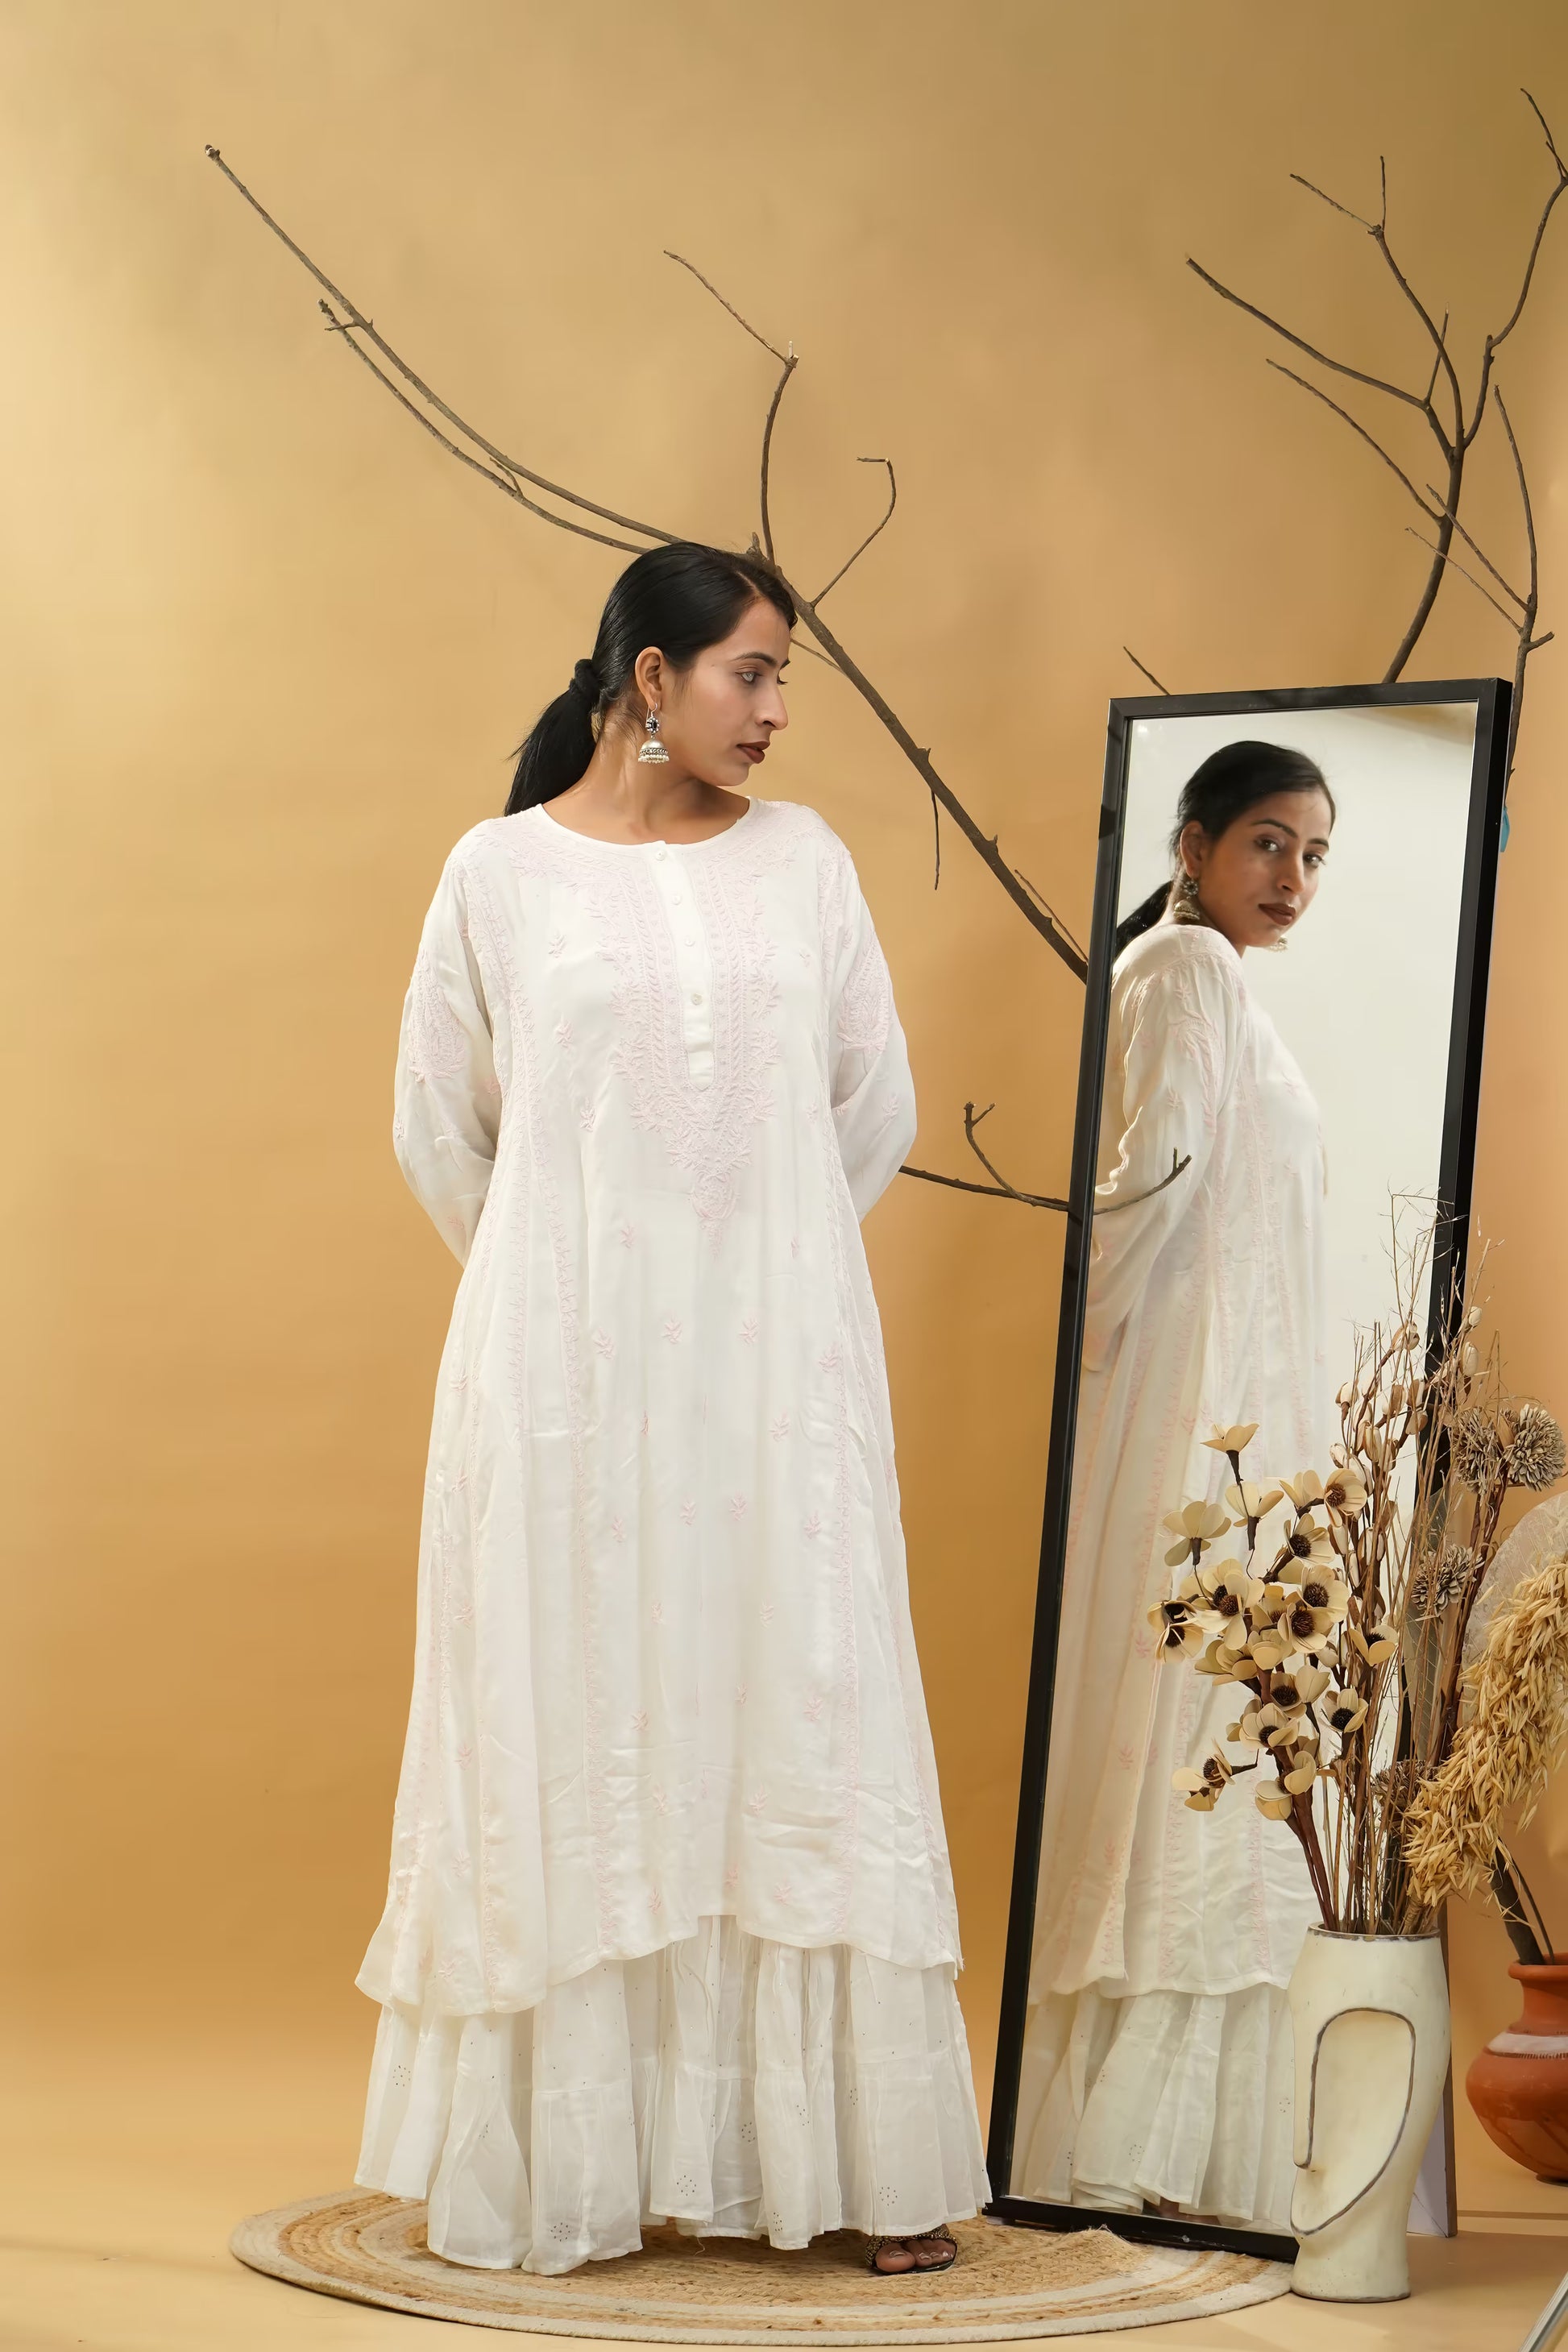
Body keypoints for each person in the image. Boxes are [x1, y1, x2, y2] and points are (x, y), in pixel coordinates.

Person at [352, 541, 989, 2276]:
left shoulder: (807, 866)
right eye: (750, 673)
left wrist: (745, 1275)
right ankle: (578, 2163)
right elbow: (435, 1123)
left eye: (787, 678)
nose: (777, 708)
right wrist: (574, 1291)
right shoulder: (497, 875)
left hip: (776, 1380)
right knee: (586, 1703)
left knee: (802, 1695)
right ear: (649, 676)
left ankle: (847, 2160)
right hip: (562, 1386)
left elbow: (869, 1103)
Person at [1014, 743, 1336, 2230]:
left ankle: (1190, 2145)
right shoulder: (1182, 973)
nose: (1292, 879)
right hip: (1195, 1415)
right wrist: (1080, 1349)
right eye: (1268, 843)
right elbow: (1148, 1184)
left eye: (1314, 855)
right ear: (1195, 842)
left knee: (1219, 1734)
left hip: (1238, 1416)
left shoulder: (1217, 980)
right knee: (1193, 1728)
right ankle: (1135, 2142)